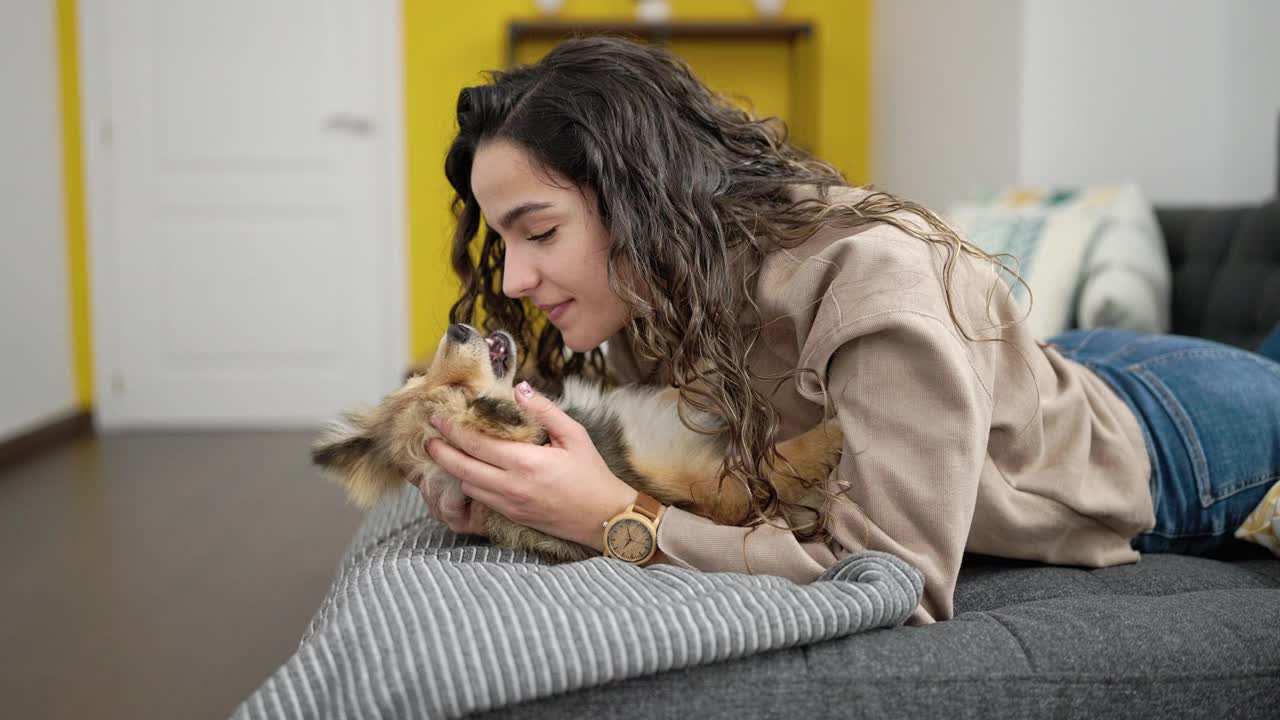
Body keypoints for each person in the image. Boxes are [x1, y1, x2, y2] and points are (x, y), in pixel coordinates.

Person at [419, 36, 1280, 624]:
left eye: (540, 232)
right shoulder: (658, 292)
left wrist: (618, 521)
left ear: (642, 200)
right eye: (504, 243)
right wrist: (490, 487)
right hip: (1046, 381)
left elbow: (894, 583)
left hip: (1178, 439)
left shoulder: (869, 276)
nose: (520, 280)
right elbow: (650, 457)